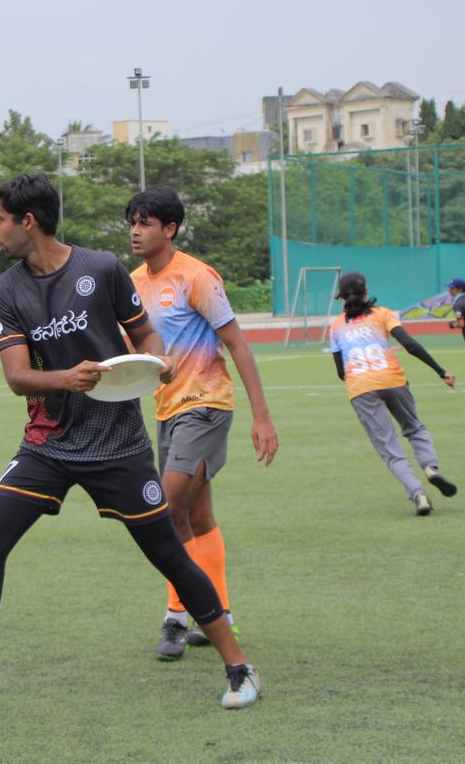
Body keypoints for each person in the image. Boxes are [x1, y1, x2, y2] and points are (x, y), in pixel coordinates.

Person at [0, 174, 261, 720]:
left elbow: (147, 335)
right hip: (47, 443)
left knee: (167, 553)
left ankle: (239, 666)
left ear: (27, 221)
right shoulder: (4, 291)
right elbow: (17, 377)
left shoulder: (101, 269)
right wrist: (67, 379)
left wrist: (160, 360)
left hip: (118, 443)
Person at [125, 186, 278, 661]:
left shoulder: (196, 276)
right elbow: (136, 352)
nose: (135, 230)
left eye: (146, 222)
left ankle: (176, 617)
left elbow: (237, 344)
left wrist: (262, 416)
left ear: (170, 229)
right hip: (167, 409)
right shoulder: (132, 282)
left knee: (166, 510)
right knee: (197, 517)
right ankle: (222, 613)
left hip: (206, 404)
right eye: (131, 221)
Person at [328, 273, 457, 516]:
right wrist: (441, 371)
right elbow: (410, 345)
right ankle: (430, 468)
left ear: (341, 297)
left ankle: (418, 495)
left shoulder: (336, 326)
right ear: (366, 291)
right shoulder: (383, 314)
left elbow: (340, 372)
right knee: (415, 428)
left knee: (389, 447)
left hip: (360, 388)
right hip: (393, 379)